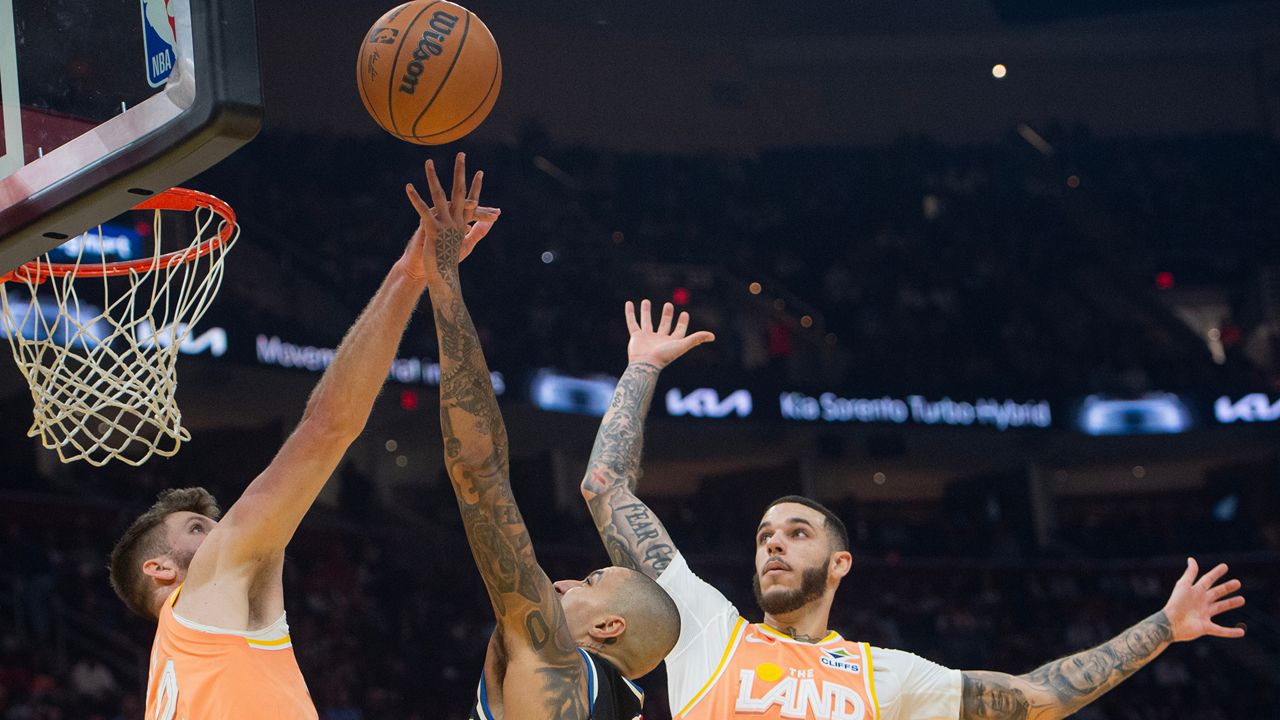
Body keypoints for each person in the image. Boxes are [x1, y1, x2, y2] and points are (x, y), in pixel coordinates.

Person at [579, 299, 1248, 719]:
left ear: (840, 563)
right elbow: (606, 488)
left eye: (795, 532)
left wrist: (1165, 626)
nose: (772, 545)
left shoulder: (889, 676)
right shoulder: (706, 628)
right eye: (763, 535)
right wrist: (642, 369)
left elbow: (1041, 697)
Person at [107, 162, 498, 719]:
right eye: (198, 528)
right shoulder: (205, 593)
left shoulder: (168, 680)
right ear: (160, 570)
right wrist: (411, 274)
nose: (222, 529)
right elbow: (327, 427)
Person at [406, 155, 681, 720]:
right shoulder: (608, 698)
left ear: (607, 626)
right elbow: (606, 487)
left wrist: (444, 280)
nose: (561, 581)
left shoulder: (558, 661)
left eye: (589, 579)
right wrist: (641, 368)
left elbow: (479, 474)